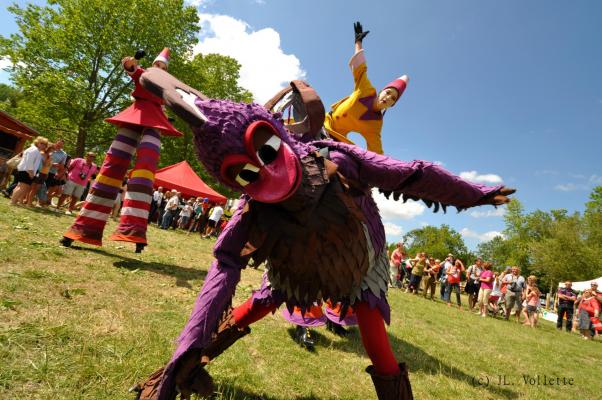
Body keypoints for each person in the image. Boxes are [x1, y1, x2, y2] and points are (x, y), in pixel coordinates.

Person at [130, 63, 515, 400]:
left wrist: (475, 194)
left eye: (264, 150)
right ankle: (183, 369)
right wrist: (184, 351)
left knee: (371, 326)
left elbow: (410, 173)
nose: (268, 173)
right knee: (262, 303)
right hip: (295, 267)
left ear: (273, 132)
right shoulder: (255, 209)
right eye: (245, 174)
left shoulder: (336, 158)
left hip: (359, 261)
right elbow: (223, 263)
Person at [61, 48, 182, 252]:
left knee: (145, 172)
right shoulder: (145, 74)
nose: (159, 68)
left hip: (155, 122)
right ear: (153, 65)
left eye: (163, 66)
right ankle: (82, 229)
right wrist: (130, 63)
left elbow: (180, 100)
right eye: (157, 65)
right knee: (111, 167)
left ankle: (134, 231)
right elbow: (132, 68)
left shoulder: (168, 84)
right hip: (134, 116)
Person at [323, 22, 408, 154]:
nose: (388, 98)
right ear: (381, 92)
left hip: (335, 139)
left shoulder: (376, 124)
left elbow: (376, 150)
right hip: (323, 121)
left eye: (393, 99)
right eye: (388, 92)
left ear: (392, 105)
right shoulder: (366, 89)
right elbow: (360, 68)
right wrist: (358, 42)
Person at [11, 136, 48, 206]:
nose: (43, 145)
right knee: (22, 187)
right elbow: (29, 162)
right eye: (41, 143)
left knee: (20, 186)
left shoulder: (35, 150)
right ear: (37, 142)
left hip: (25, 170)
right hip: (26, 171)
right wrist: (31, 172)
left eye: (45, 144)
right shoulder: (34, 150)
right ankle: (13, 202)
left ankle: (14, 201)